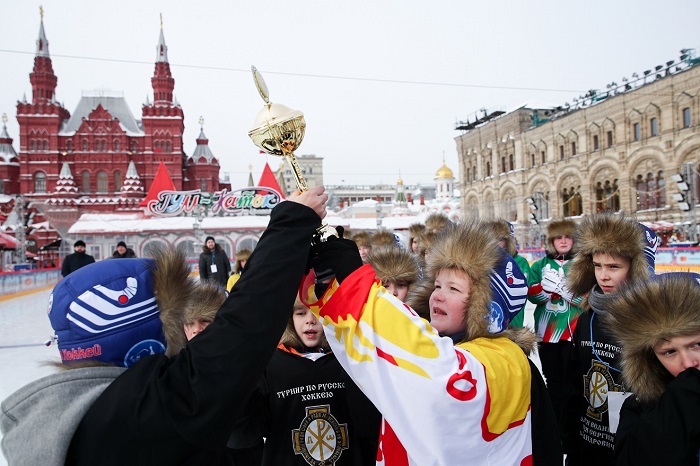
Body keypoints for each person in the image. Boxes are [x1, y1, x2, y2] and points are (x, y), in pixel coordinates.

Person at [0, 187, 328, 465]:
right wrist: (292, 222)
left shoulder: (46, 418)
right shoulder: (154, 408)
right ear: (142, 336)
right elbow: (245, 324)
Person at [305, 219, 562, 465]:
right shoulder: (435, 343)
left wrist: (356, 284)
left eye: (454, 289)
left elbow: (441, 370)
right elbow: (375, 359)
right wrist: (331, 289)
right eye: (437, 286)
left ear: (486, 308)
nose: (438, 296)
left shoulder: (506, 358)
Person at [229, 298, 379, 465]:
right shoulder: (269, 365)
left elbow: (371, 425)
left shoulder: (350, 359)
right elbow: (244, 434)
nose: (310, 320)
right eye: (300, 313)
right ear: (289, 318)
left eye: (317, 312)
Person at [562, 213, 658, 465]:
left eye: (614, 267)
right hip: (588, 443)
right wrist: (570, 439)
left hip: (633, 448)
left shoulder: (655, 325)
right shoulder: (586, 319)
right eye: (597, 265)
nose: (603, 276)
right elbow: (574, 385)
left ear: (638, 269)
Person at [601, 273, 700, 465]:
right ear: (650, 357)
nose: (688, 363)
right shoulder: (638, 410)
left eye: (696, 345)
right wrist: (678, 406)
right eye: (669, 352)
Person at [527, 219, 583, 432]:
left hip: (573, 334)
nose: (563, 241)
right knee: (552, 380)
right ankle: (555, 427)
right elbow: (532, 297)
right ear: (551, 241)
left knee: (572, 383)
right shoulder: (540, 265)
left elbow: (587, 298)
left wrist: (564, 290)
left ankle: (571, 427)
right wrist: (545, 288)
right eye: (558, 237)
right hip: (547, 333)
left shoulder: (581, 265)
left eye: (567, 237)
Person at [487, 219, 532, 328]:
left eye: (500, 239)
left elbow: (525, 290)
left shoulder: (520, 262)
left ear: (508, 242)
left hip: (514, 324)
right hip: (487, 324)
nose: (495, 243)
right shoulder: (481, 261)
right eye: (491, 238)